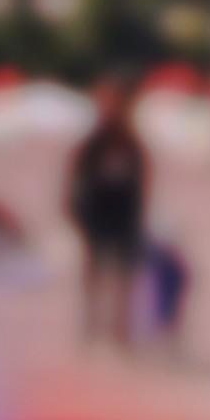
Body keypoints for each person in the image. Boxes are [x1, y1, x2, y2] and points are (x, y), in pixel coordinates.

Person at [65, 74, 149, 346]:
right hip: (98, 210)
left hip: (123, 211)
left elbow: (141, 181)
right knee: (95, 269)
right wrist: (75, 209)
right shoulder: (94, 141)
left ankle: (119, 330)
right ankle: (91, 326)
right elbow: (77, 177)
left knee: (123, 272)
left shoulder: (130, 142)